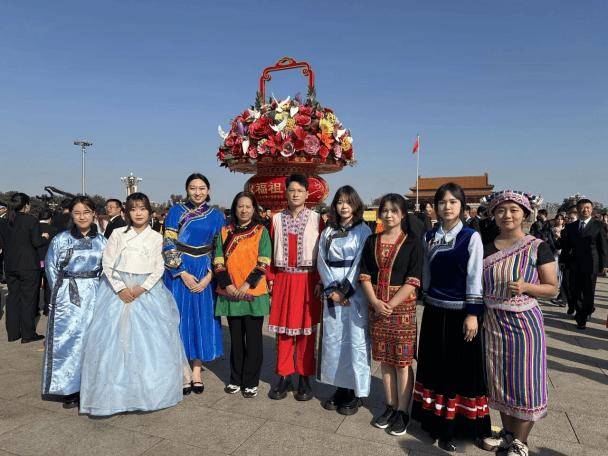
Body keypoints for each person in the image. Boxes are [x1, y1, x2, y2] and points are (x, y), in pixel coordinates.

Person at [79, 192, 190, 416]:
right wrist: (120, 288)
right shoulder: (118, 234)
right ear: (127, 212)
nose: (138, 213)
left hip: (146, 291)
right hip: (117, 290)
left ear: (149, 211)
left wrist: (142, 288)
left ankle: (149, 392)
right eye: (133, 209)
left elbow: (159, 267)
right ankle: (115, 394)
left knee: (151, 342)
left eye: (142, 208)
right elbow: (107, 262)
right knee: (113, 342)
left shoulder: (156, 237)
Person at [411, 183, 491, 452]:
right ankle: (434, 422)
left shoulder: (470, 236)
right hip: (434, 311)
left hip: (461, 314)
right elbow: (426, 271)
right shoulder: (429, 236)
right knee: (435, 368)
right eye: (442, 202)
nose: (447, 207)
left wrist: (473, 313)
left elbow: (474, 276)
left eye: (453, 202)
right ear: (435, 206)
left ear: (462, 206)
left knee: (459, 372)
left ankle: (457, 427)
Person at [479, 190, 558, 456]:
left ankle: (520, 441)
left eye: (514, 210)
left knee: (525, 382)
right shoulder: (486, 247)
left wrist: (527, 287)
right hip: (493, 323)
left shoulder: (537, 247)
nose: (507, 215)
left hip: (524, 325)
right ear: (493, 215)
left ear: (525, 214)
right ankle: (507, 433)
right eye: (501, 210)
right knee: (499, 380)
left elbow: (552, 288)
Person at [360, 194, 422, 435]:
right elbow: (365, 274)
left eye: (394, 210)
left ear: (403, 214)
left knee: (402, 362)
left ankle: (403, 411)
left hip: (402, 308)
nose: (388, 215)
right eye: (384, 210)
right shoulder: (371, 240)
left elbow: (413, 278)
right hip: (376, 306)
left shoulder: (412, 242)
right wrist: (376, 302)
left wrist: (391, 304)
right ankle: (390, 405)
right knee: (385, 360)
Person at [41, 196, 107, 409]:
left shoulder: (102, 241)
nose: (82, 217)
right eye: (77, 213)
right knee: (68, 340)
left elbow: (107, 269)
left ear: (93, 214)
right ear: (71, 215)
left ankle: (91, 386)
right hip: (67, 295)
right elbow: (51, 267)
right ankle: (68, 388)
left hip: (95, 292)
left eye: (86, 212)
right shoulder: (61, 239)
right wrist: (57, 294)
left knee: (92, 340)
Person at [163, 173, 225, 393]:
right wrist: (181, 272)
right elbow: (168, 242)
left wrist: (210, 276)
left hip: (205, 268)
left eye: (201, 188)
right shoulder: (175, 211)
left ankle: (197, 370)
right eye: (192, 188)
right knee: (179, 319)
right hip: (180, 270)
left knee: (202, 319)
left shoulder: (217, 215)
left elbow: (220, 248)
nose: (197, 192)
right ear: (187, 190)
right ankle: (183, 370)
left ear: (208, 191)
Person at [317, 186, 372, 416]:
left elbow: (360, 263)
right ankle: (340, 386)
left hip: (354, 293)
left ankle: (356, 391)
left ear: (355, 204)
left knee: (355, 340)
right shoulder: (328, 231)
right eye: (339, 202)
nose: (344, 206)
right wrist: (332, 290)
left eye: (348, 202)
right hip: (332, 292)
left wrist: (345, 291)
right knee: (334, 340)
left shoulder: (363, 230)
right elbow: (321, 259)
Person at [267, 173, 322, 401]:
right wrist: (270, 278)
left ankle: (304, 377)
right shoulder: (276, 219)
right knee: (283, 331)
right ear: (286, 193)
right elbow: (269, 250)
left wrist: (320, 280)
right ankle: (284, 375)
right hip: (283, 279)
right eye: (292, 190)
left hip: (308, 280)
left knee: (306, 332)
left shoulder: (317, 219)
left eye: (300, 190)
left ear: (307, 194)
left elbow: (323, 253)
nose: (296, 194)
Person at [213, 191, 271, 399]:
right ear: (234, 208)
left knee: (254, 340)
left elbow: (264, 260)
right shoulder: (224, 231)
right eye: (240, 206)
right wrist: (228, 285)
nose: (244, 210)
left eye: (248, 206)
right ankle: (235, 378)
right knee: (236, 339)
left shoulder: (261, 231)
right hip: (230, 292)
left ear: (254, 209)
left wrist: (246, 285)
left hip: (252, 292)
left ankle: (251, 381)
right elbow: (218, 260)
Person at [0, 193, 48, 343]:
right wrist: (44, 237)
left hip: (10, 264)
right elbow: (36, 242)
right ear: (26, 205)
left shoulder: (4, 221)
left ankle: (13, 333)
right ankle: (28, 334)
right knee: (28, 299)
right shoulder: (30, 220)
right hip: (28, 265)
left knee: (13, 298)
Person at [556, 198, 608, 329]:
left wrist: (604, 264)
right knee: (575, 291)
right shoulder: (571, 226)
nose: (585, 210)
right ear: (578, 210)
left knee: (588, 291)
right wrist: (563, 260)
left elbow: (603, 246)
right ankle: (581, 312)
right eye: (582, 208)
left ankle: (583, 315)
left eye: (588, 208)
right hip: (574, 263)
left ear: (592, 209)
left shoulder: (598, 225)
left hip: (591, 263)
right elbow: (566, 246)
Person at [37, 208, 58, 316]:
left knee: (35, 286)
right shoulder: (54, 230)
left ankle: (34, 308)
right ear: (50, 219)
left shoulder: (34, 228)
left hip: (35, 260)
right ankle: (47, 309)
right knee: (48, 284)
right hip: (49, 260)